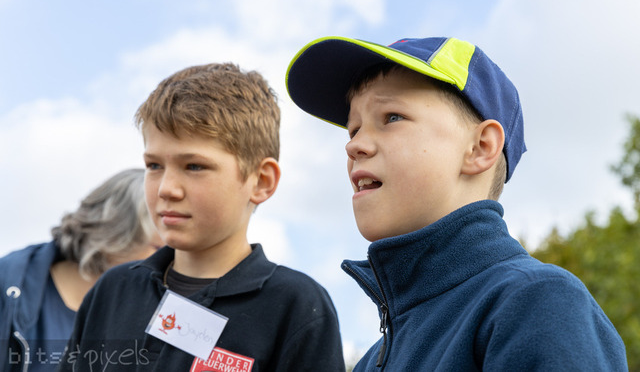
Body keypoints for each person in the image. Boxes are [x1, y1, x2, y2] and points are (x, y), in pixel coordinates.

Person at [286, 36, 628, 370]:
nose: (354, 146)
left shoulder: (538, 301)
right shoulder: (369, 361)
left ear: (480, 148)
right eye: (353, 130)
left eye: (391, 117)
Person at [58, 62, 345, 371]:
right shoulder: (113, 291)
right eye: (154, 166)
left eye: (194, 166)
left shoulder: (296, 306)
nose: (167, 188)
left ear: (261, 181)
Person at [1, 168, 162, 372]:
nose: (168, 263)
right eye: (158, 249)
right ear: (116, 233)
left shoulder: (154, 317)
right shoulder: (9, 286)